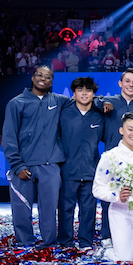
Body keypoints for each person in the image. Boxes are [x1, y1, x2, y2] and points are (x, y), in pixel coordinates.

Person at [2, 66, 71, 248]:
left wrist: (103, 101)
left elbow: (83, 99)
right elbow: (9, 136)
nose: (43, 79)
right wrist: (17, 165)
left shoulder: (59, 101)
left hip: (50, 165)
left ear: (52, 82)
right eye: (40, 75)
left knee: (49, 208)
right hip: (24, 165)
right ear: (33, 77)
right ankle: (25, 243)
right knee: (21, 208)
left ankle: (49, 243)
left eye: (48, 77)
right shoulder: (16, 103)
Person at [93, 113, 133, 261]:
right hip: (120, 212)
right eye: (130, 129)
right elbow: (97, 188)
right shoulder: (110, 156)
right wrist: (116, 195)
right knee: (124, 260)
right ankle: (107, 252)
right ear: (121, 131)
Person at [100, 68, 133, 247]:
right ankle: (106, 235)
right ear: (120, 84)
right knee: (110, 194)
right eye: (127, 81)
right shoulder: (108, 102)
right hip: (113, 157)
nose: (131, 85)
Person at [58, 77, 104, 250]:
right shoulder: (64, 112)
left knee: (88, 212)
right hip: (68, 171)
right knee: (65, 210)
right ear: (74, 93)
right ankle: (66, 242)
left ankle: (86, 242)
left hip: (91, 171)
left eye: (88, 90)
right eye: (80, 90)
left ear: (93, 94)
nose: (84, 93)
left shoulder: (100, 115)